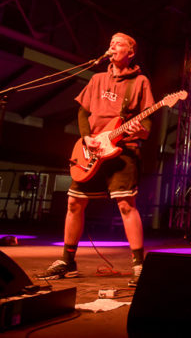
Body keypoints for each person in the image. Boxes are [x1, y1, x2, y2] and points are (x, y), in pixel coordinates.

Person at [38, 33, 155, 287]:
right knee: (74, 203)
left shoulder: (140, 82)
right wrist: (86, 138)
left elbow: (146, 120)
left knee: (126, 205)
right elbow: (83, 112)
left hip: (123, 149)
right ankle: (67, 261)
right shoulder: (97, 78)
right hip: (91, 150)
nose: (112, 46)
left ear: (130, 52)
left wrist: (142, 132)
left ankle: (139, 265)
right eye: (111, 43)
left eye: (118, 43)